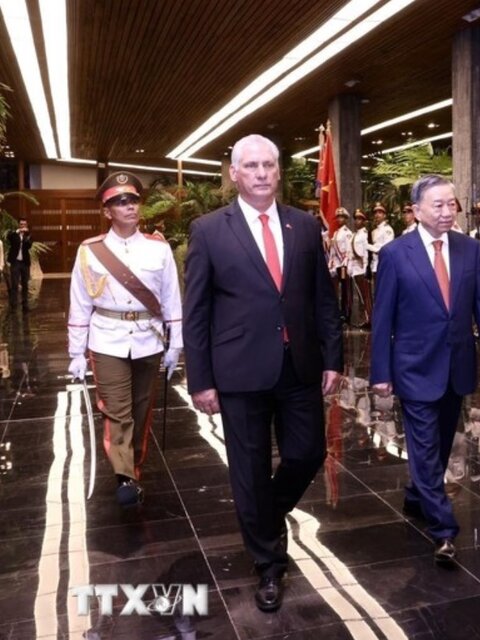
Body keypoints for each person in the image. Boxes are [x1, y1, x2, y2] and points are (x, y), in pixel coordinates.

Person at [183, 134, 343, 612]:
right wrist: (201, 378)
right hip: (238, 371)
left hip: (299, 367)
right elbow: (197, 311)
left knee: (308, 452)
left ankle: (264, 515)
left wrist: (333, 357)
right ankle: (269, 564)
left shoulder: (304, 225)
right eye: (250, 166)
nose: (259, 173)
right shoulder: (209, 229)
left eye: (268, 165)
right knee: (249, 469)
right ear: (234, 173)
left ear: (279, 171)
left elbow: (323, 300)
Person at [370, 174, 480, 565]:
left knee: (443, 441)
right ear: (416, 211)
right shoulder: (396, 254)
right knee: (425, 445)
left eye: (452, 204)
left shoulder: (469, 249)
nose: (448, 212)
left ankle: (417, 493)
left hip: (457, 365)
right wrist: (380, 371)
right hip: (413, 367)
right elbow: (383, 319)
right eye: (438, 205)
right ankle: (444, 530)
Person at [67, 171, 182, 507]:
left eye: (133, 200)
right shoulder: (91, 251)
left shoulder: (157, 249)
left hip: (148, 338)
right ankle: (125, 477)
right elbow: (80, 300)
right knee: (118, 411)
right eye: (120, 202)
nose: (130, 206)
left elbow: (172, 296)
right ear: (107, 212)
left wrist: (176, 343)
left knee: (141, 409)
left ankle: (134, 465)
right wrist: (76, 351)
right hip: (108, 340)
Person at [330, 208, 353, 323]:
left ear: (346, 219)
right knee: (335, 289)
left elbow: (349, 250)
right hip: (337, 265)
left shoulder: (348, 233)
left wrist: (346, 264)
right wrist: (331, 264)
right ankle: (337, 311)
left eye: (342, 217)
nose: (340, 219)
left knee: (345, 288)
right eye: (338, 217)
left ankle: (346, 312)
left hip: (344, 265)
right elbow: (333, 251)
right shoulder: (335, 233)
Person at [349, 208, 371, 328]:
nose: (357, 221)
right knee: (361, 296)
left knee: (366, 296)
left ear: (364, 221)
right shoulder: (354, 235)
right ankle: (365, 318)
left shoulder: (364, 234)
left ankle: (369, 319)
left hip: (362, 268)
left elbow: (366, 252)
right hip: (355, 269)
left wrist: (366, 267)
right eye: (356, 219)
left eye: (360, 219)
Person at [7, 218, 32, 309]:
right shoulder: (14, 234)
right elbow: (9, 238)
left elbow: (29, 245)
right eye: (21, 224)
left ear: (26, 225)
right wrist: (17, 232)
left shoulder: (28, 235)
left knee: (25, 283)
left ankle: (25, 304)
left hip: (24, 262)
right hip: (15, 262)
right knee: (14, 283)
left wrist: (26, 235)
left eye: (24, 224)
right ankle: (13, 304)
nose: (23, 226)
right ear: (19, 225)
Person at [366, 201, 395, 281]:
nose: (377, 215)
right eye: (375, 213)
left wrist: (367, 246)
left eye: (380, 212)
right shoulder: (373, 231)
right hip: (375, 266)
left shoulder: (388, 230)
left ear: (384, 215)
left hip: (384, 265)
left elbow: (385, 250)